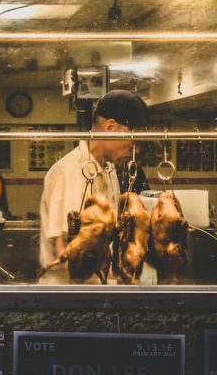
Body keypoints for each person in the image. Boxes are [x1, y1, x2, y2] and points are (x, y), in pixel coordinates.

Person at [38, 90, 150, 284]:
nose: (134, 150)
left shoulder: (109, 170)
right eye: (131, 141)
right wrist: (122, 277)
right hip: (69, 298)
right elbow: (67, 256)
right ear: (110, 127)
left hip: (99, 291)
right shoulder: (68, 172)